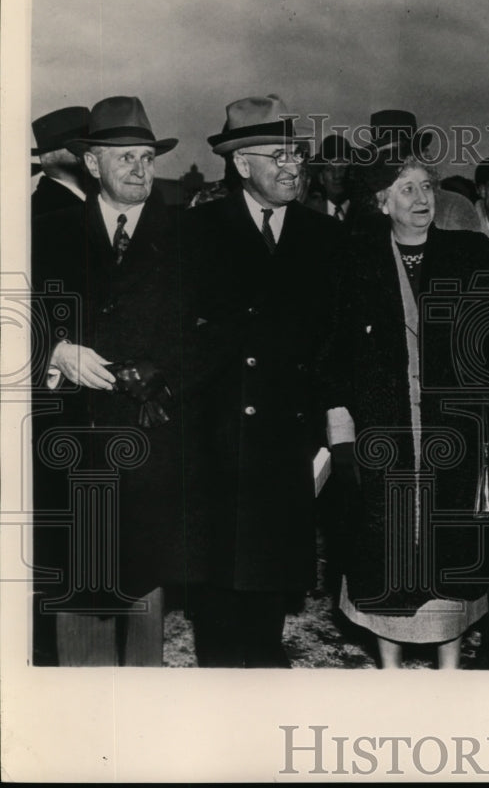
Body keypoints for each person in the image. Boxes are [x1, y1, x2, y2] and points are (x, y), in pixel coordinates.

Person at [318, 136, 489, 669]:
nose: (421, 199)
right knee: (385, 546)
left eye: (427, 187)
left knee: (449, 545)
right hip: (384, 430)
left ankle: (449, 664)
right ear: (383, 201)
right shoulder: (353, 263)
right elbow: (333, 354)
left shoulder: (470, 255)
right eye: (406, 189)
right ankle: (390, 665)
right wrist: (342, 434)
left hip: (452, 429)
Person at [31, 96, 197, 666]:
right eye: (123, 156)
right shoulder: (45, 232)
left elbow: (216, 330)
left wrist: (166, 372)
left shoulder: (187, 236)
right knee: (78, 586)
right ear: (92, 164)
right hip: (73, 442)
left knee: (145, 589)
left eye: (147, 157)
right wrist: (57, 351)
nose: (138, 168)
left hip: (154, 443)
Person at [184, 95, 346, 667]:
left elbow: (334, 338)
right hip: (221, 437)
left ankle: (263, 673)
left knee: (272, 579)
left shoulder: (322, 235)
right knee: (221, 587)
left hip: (290, 435)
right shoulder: (199, 231)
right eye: (276, 156)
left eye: (296, 154)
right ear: (241, 164)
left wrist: (330, 428)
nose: (292, 166)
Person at [351, 109, 480, 235]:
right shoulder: (363, 214)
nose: (392, 164)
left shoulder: (452, 208)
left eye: (401, 155)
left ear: (419, 158)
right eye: (384, 157)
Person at [30, 106, 92, 217]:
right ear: (47, 156)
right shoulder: (46, 209)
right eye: (78, 146)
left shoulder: (82, 199)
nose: (92, 153)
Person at [306, 131, 357, 230]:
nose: (337, 175)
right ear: (321, 178)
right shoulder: (310, 215)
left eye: (342, 168)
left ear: (351, 173)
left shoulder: (363, 214)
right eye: (330, 169)